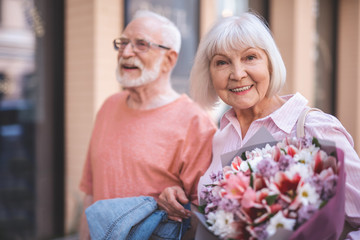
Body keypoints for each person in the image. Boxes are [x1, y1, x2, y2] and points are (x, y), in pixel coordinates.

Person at [159, 12, 360, 239]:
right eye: (222, 62)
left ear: (270, 64)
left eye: (250, 58)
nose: (237, 74)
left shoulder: (314, 128)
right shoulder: (221, 135)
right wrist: (180, 200)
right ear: (209, 74)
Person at [78, 10, 216, 239]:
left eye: (141, 44)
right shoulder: (108, 107)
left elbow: (205, 218)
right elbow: (91, 195)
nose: (126, 52)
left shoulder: (195, 123)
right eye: (122, 43)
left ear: (169, 60)